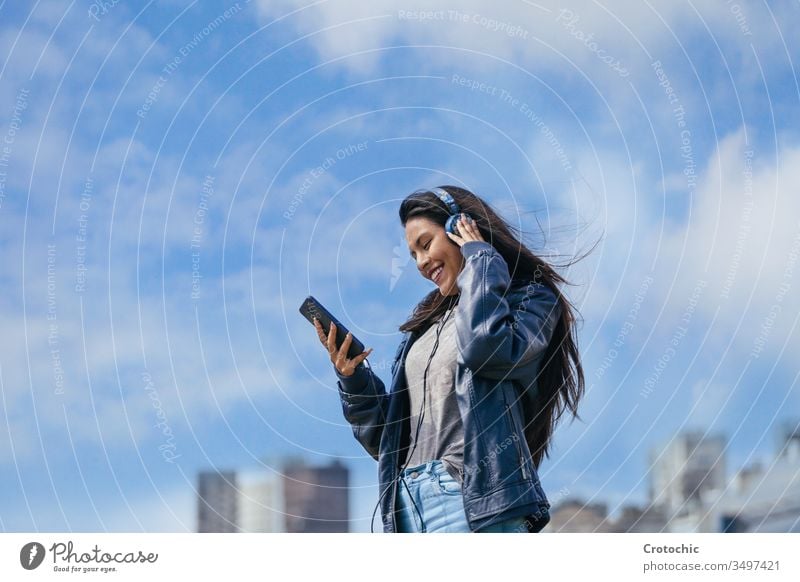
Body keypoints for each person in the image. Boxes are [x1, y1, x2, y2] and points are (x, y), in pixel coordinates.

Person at [313, 185, 584, 533]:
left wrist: (482, 260)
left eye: (425, 245)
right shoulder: (422, 330)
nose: (422, 263)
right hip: (407, 509)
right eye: (413, 256)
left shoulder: (529, 301)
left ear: (461, 228)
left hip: (471, 502)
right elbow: (388, 442)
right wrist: (354, 380)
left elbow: (485, 349)